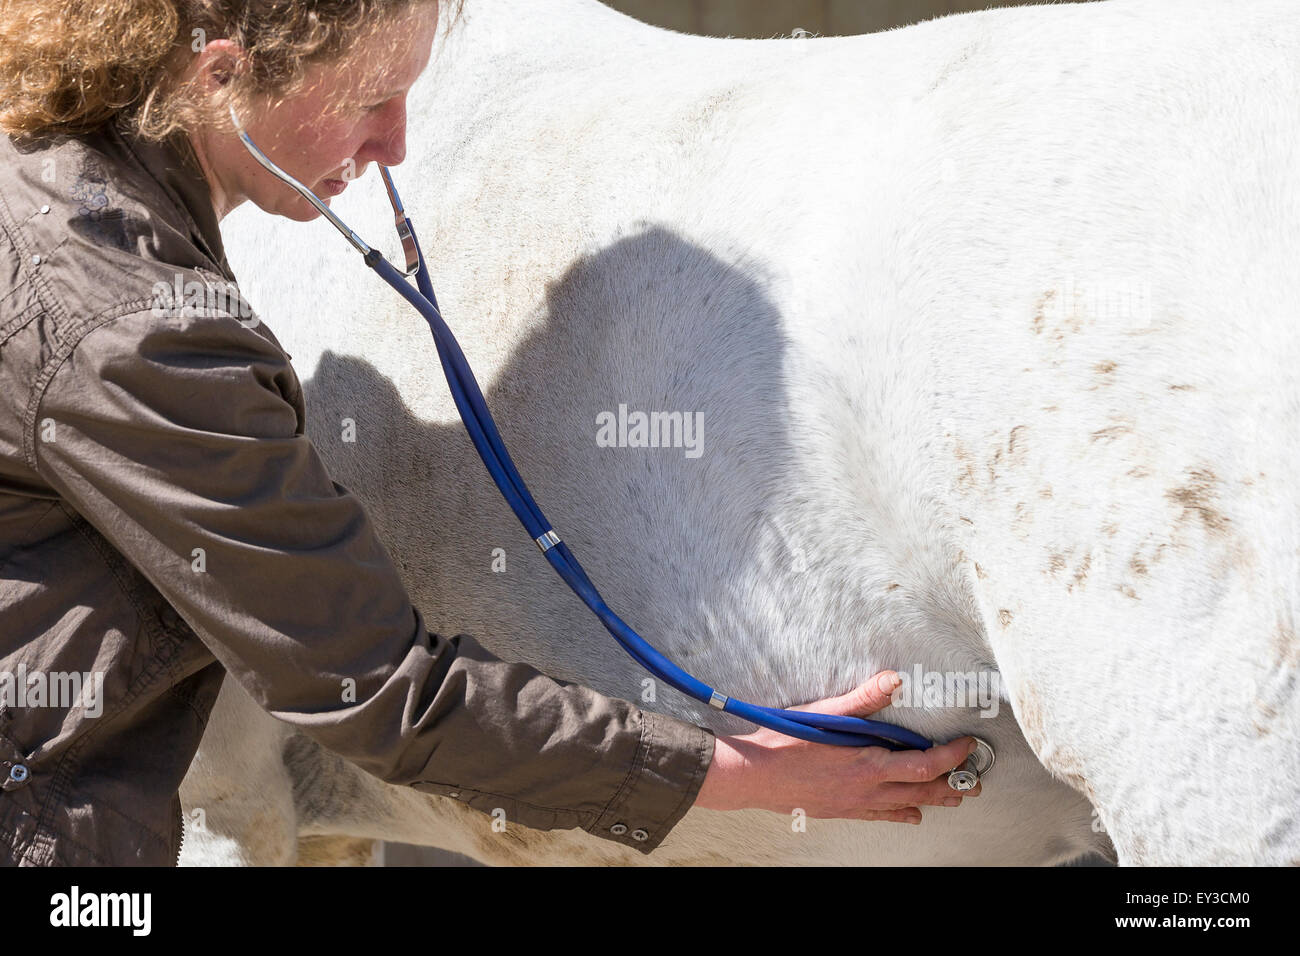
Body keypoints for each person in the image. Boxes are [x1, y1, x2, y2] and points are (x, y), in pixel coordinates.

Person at [0, 0, 980, 866]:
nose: (395, 143)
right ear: (221, 75)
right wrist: (728, 770)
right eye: (371, 100)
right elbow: (381, 690)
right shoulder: (133, 326)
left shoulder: (52, 175)